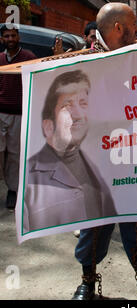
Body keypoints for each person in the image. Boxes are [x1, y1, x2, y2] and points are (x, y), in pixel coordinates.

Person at [72, 2, 137, 300]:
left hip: (133, 157)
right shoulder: (81, 61)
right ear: (117, 28)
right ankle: (87, 282)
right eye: (133, 26)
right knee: (93, 226)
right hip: (96, 160)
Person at [23, 70, 117, 232]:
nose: (79, 114)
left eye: (83, 103)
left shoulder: (95, 166)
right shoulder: (31, 178)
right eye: (68, 105)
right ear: (48, 124)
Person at [0, 25, 36, 210]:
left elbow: (38, 80)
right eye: (7, 36)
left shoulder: (29, 58)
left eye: (13, 35)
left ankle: (13, 190)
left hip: (19, 115)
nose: (11, 38)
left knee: (15, 155)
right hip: (0, 114)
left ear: (18, 37)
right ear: (2, 39)